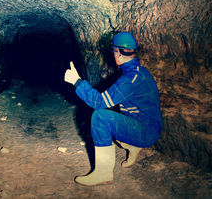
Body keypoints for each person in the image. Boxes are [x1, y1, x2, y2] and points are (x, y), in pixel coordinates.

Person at [64, 32, 162, 186]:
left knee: (100, 116)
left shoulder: (129, 79)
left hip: (146, 131)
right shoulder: (140, 72)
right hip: (150, 126)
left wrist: (76, 82)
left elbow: (98, 102)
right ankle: (134, 147)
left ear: (117, 53)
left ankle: (103, 173)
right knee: (112, 114)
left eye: (113, 51)